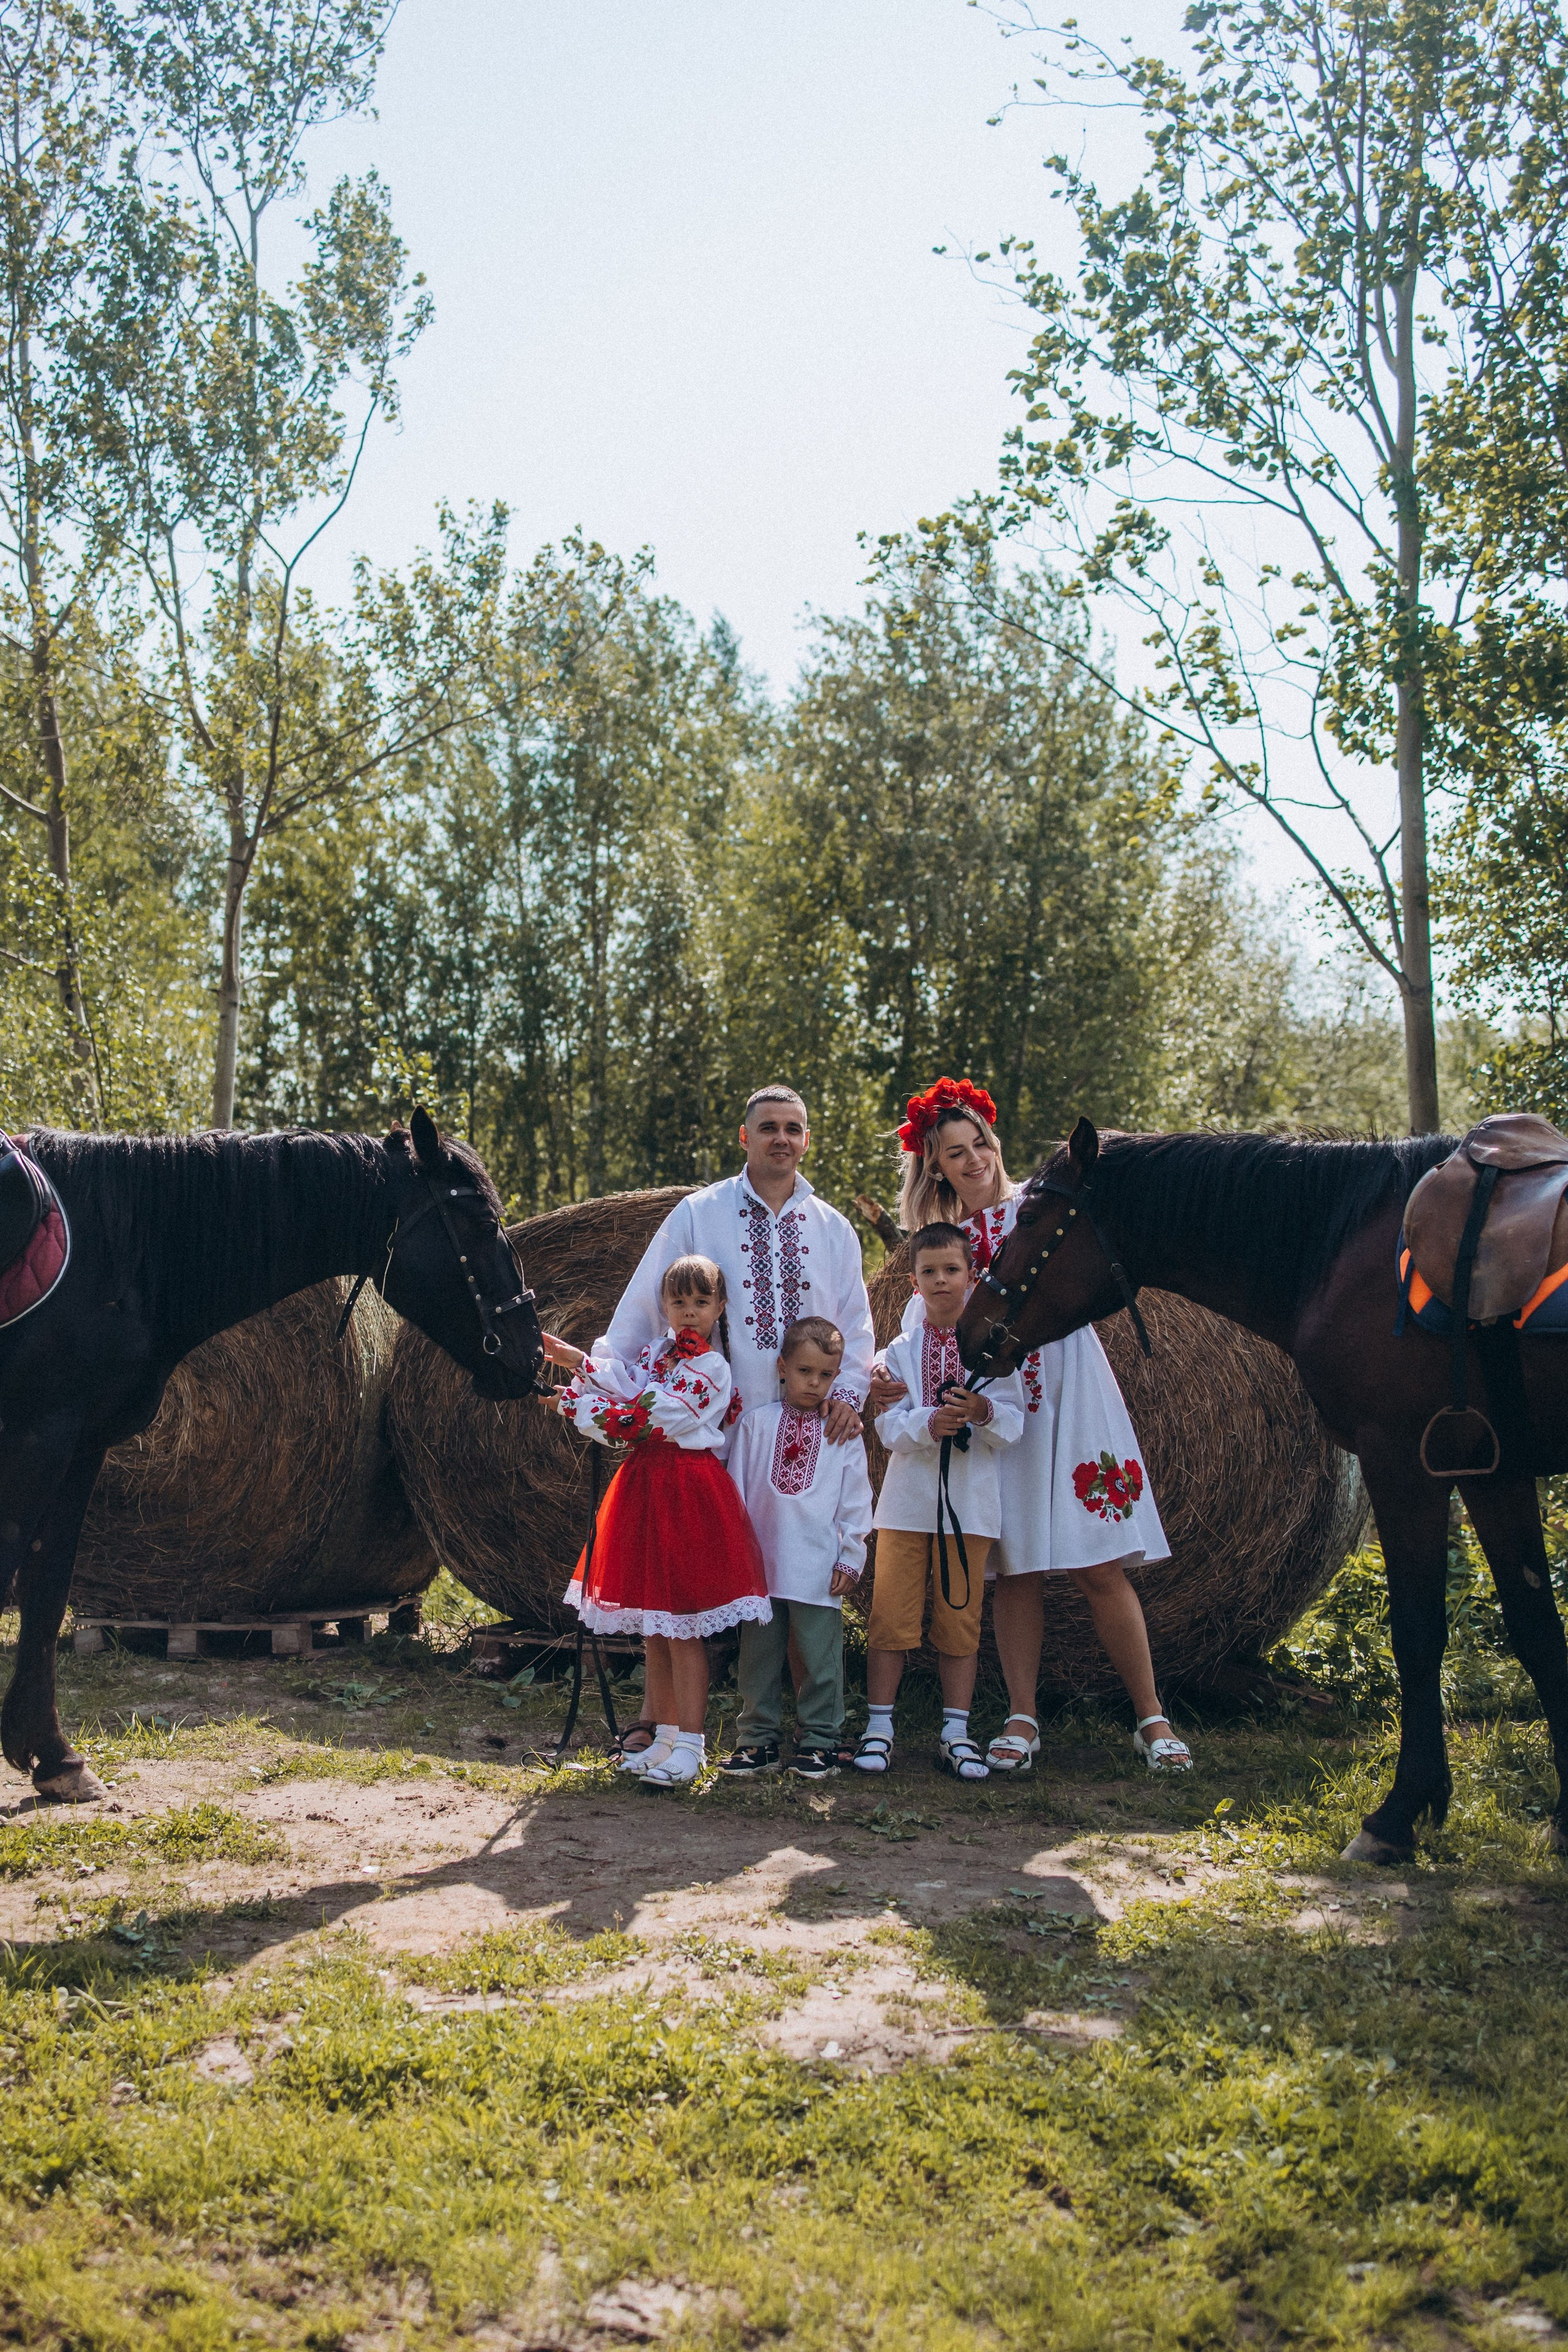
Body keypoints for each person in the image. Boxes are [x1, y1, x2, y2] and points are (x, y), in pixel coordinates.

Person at [873, 1076, 1191, 1774]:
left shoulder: (1043, 1208)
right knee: (1014, 1567)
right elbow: (918, 1323)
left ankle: (1152, 1717)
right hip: (995, 1412)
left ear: (994, 1143)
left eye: (977, 1144)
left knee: (1098, 1562)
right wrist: (880, 1372)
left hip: (1071, 1395)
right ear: (936, 1167)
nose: (971, 1160)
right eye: (952, 1153)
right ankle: (1022, 1717)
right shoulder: (946, 1240)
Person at [598, 1084, 876, 1756]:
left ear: (807, 1139)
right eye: (769, 1127)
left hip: (804, 1436)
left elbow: (856, 1324)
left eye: (794, 1128)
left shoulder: (831, 1227)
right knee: (676, 1571)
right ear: (744, 1137)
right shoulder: (702, 1213)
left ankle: (812, 1730)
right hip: (711, 1432)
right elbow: (648, 1305)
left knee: (796, 1573)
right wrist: (612, 1389)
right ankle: (659, 1715)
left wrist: (852, 1393)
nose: (782, 1138)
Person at [544, 1255, 771, 1788]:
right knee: (656, 1627)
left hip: (687, 1490)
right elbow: (625, 1384)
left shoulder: (711, 1368)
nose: (689, 1313)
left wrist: (577, 1409)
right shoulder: (659, 1353)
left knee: (684, 1625)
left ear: (719, 1307)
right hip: (646, 1487)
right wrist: (576, 1363)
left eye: (700, 1302)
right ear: (665, 1307)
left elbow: (646, 1418)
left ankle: (692, 1744)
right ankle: (665, 1737)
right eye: (679, 1302)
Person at [860, 1222, 1025, 1781]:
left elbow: (1015, 1422)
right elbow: (887, 1429)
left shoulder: (997, 1348)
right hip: (906, 1506)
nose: (941, 1281)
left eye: (951, 1270)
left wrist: (981, 1414)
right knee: (890, 1620)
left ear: (972, 1277)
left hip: (971, 1508)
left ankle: (956, 1730)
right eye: (929, 1272)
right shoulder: (900, 1353)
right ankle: (878, 1727)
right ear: (913, 1282)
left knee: (961, 1620)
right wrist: (931, 1422)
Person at [722, 1315, 875, 1782]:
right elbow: (738, 1493)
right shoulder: (756, 1425)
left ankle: (820, 1743)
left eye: (826, 1375)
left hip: (817, 1565)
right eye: (805, 1371)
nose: (815, 1383)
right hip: (762, 1567)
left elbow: (855, 1501)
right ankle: (757, 1741)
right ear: (782, 1367)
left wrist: (852, 1555)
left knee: (821, 1660)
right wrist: (736, 1559)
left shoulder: (844, 1434)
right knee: (758, 1660)